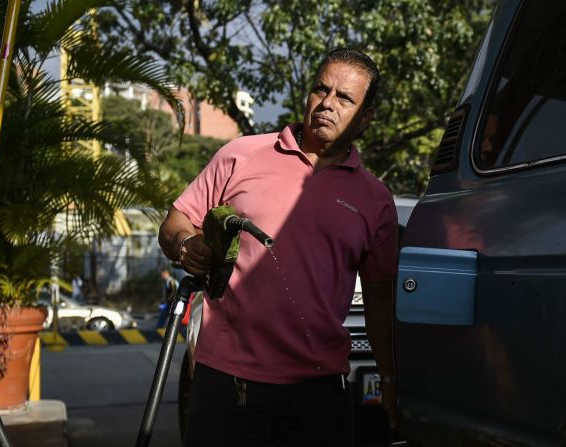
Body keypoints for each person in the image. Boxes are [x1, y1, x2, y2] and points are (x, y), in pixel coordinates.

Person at [158, 48, 398, 446]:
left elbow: (378, 302)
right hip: (227, 384)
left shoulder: (375, 200)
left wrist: (389, 381)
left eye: (344, 98)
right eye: (321, 89)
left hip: (317, 394)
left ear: (365, 118)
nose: (327, 103)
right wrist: (186, 245)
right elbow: (174, 223)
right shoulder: (241, 154)